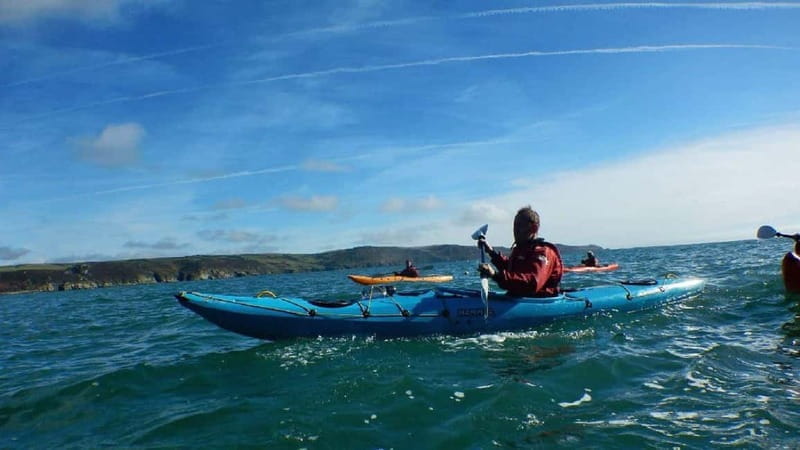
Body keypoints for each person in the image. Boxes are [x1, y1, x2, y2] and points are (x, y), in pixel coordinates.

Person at [477, 206, 563, 297]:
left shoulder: (544, 252)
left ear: (534, 228)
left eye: (519, 226)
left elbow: (532, 283)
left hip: (538, 300)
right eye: (514, 226)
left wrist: (495, 275)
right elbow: (510, 268)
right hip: (516, 298)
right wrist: (491, 252)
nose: (515, 230)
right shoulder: (521, 250)